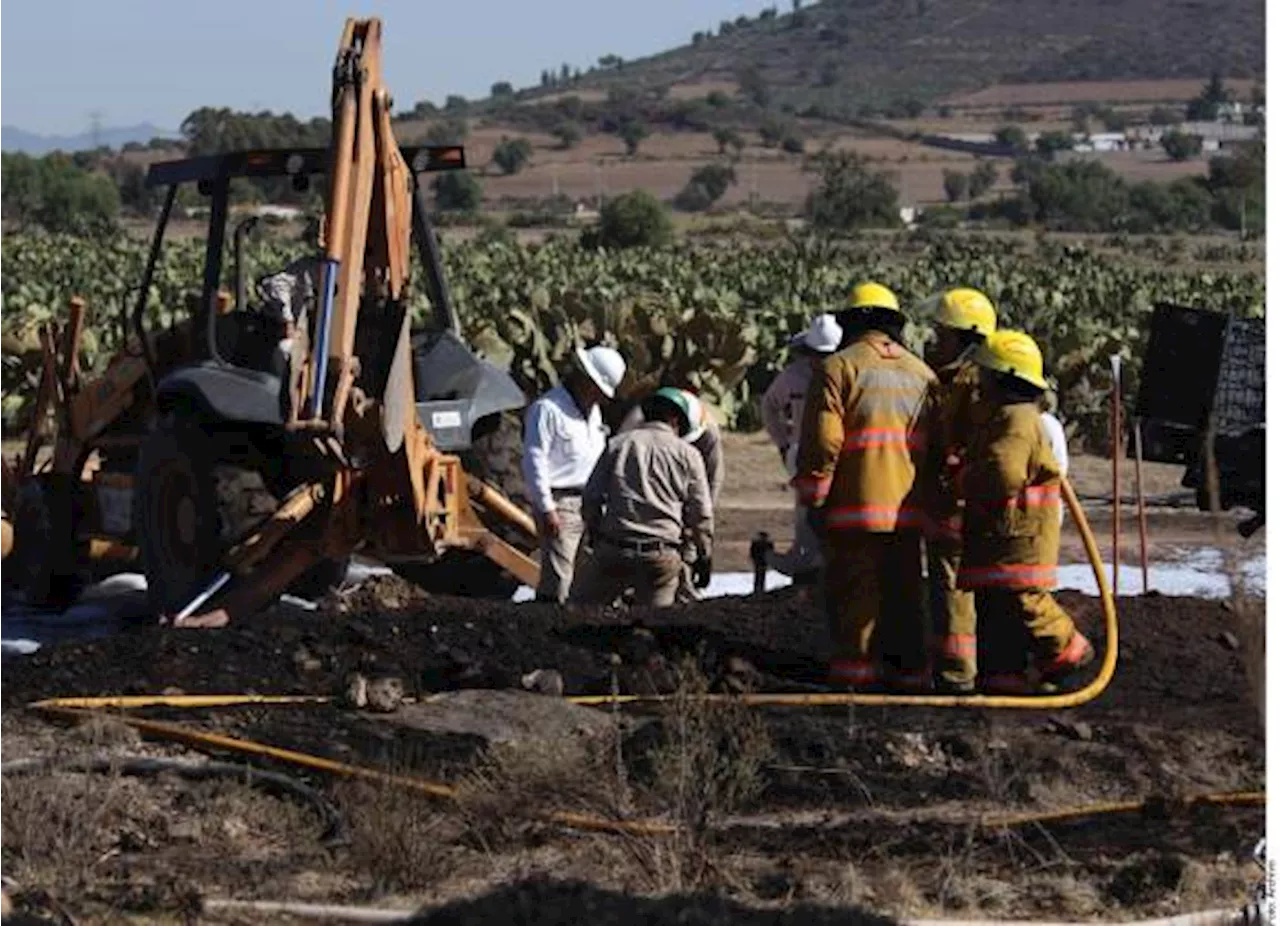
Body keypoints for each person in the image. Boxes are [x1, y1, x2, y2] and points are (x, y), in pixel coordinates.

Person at [794, 282, 937, 692]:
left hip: (854, 511)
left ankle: (854, 685)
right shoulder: (921, 373)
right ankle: (910, 678)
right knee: (906, 598)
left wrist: (814, 500)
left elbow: (824, 442)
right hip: (908, 515)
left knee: (856, 599)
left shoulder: (838, 368)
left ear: (851, 323)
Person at [958, 330, 1094, 694]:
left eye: (984, 375)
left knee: (1023, 600)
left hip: (1018, 536)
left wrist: (965, 480)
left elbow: (1003, 475)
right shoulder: (1006, 417)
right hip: (1006, 536)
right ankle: (1002, 682)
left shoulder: (1017, 419)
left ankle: (1070, 650)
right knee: (997, 608)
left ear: (1003, 378)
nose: (979, 383)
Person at [919, 287, 998, 694]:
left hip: (957, 506)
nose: (935, 342)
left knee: (952, 590)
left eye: (944, 335)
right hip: (956, 504)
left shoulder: (969, 386)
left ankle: (957, 674)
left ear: (967, 338)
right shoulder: (967, 380)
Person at [571, 388, 714, 609]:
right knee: (656, 621)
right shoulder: (689, 454)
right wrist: (704, 556)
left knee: (580, 612)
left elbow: (591, 497)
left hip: (614, 550)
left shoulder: (617, 445)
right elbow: (701, 513)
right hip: (661, 555)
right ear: (674, 420)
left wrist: (596, 531)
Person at [521, 344, 627, 604]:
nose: (601, 398)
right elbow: (535, 460)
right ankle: (548, 624)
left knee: (585, 572)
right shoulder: (547, 409)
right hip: (561, 502)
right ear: (586, 380)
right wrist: (546, 508)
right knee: (559, 577)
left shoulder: (593, 413)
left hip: (589, 501)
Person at [618, 385, 724, 602]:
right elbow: (622, 471)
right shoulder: (635, 425)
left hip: (687, 498)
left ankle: (683, 594)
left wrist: (701, 541)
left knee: (682, 567)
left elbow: (712, 483)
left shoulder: (708, 431)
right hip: (643, 500)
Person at [760, 314, 842, 580]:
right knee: (806, 513)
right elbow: (770, 407)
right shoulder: (793, 376)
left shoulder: (846, 371)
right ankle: (806, 565)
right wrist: (784, 443)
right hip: (802, 452)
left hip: (839, 453)